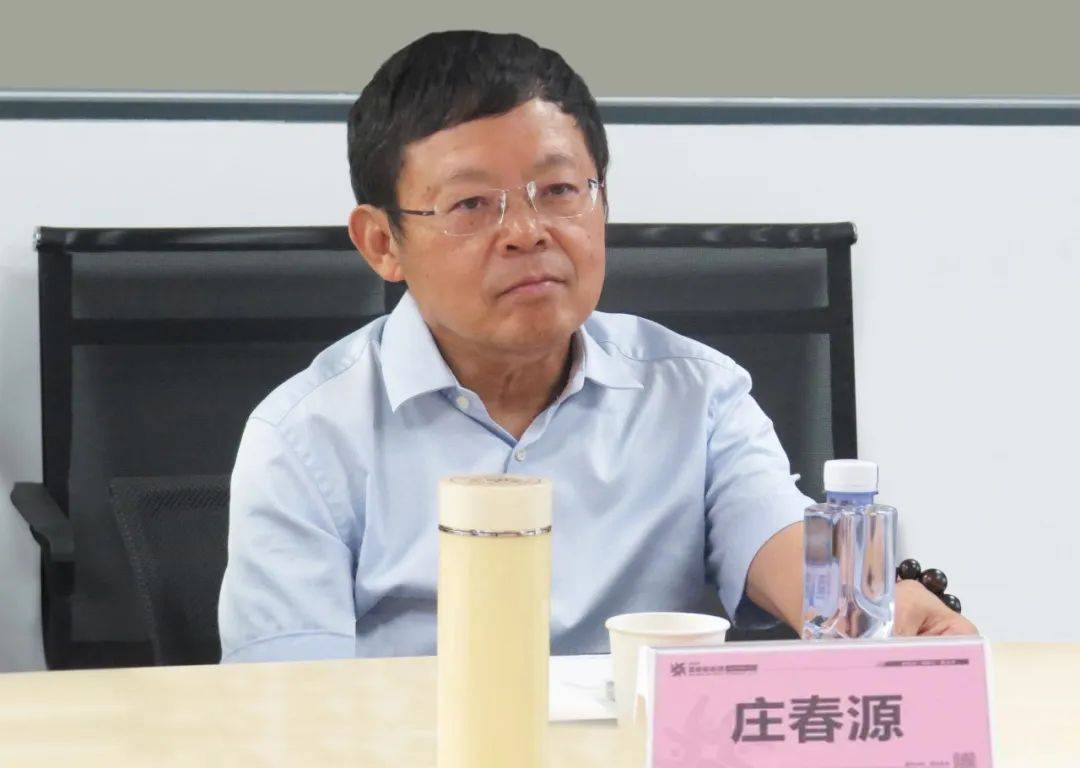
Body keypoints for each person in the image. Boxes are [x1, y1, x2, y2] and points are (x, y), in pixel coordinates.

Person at [217, 30, 976, 664]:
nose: (526, 232)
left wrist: (872, 605)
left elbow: (783, 546)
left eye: (559, 190)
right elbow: (287, 710)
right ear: (383, 242)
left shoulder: (698, 396)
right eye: (472, 204)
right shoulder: (305, 440)